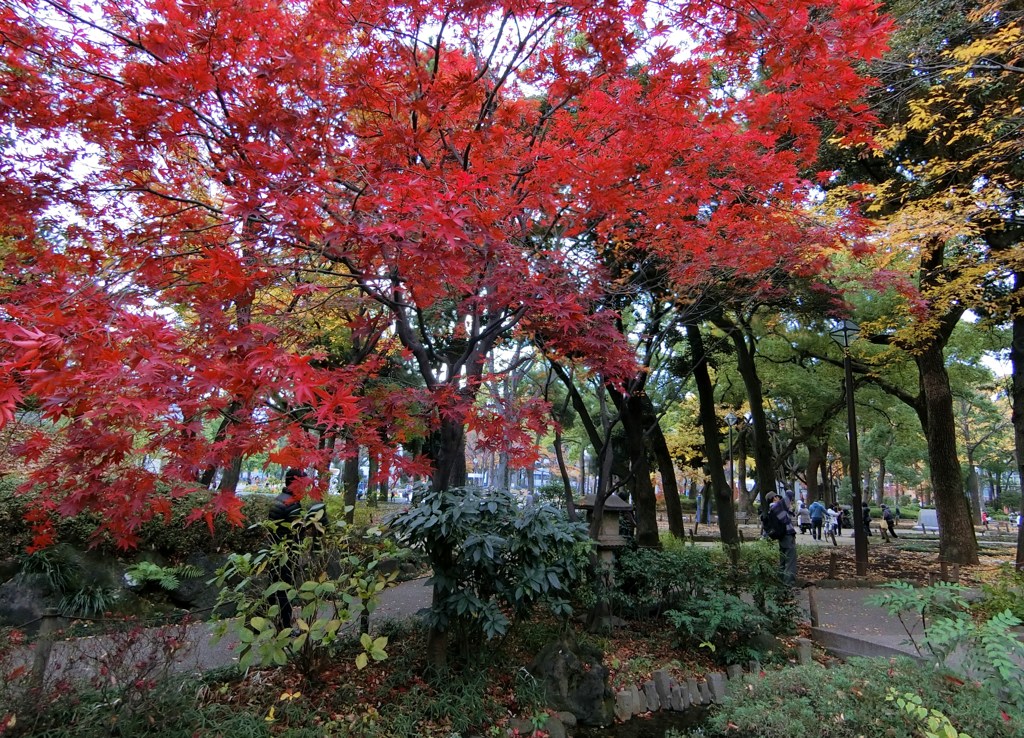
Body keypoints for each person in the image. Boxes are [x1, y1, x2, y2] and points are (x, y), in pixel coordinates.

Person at [267, 468, 306, 629]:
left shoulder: (278, 499)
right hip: (287, 553)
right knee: (284, 590)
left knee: (274, 589)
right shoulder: (292, 504)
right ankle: (285, 628)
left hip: (275, 550)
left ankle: (271, 624)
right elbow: (298, 532)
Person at [764, 491, 797, 586]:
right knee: (790, 562)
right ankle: (788, 585)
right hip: (787, 535)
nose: (779, 498)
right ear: (774, 498)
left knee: (783, 561)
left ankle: (781, 583)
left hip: (781, 537)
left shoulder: (771, 509)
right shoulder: (779, 505)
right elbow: (790, 494)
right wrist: (787, 489)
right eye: (778, 496)